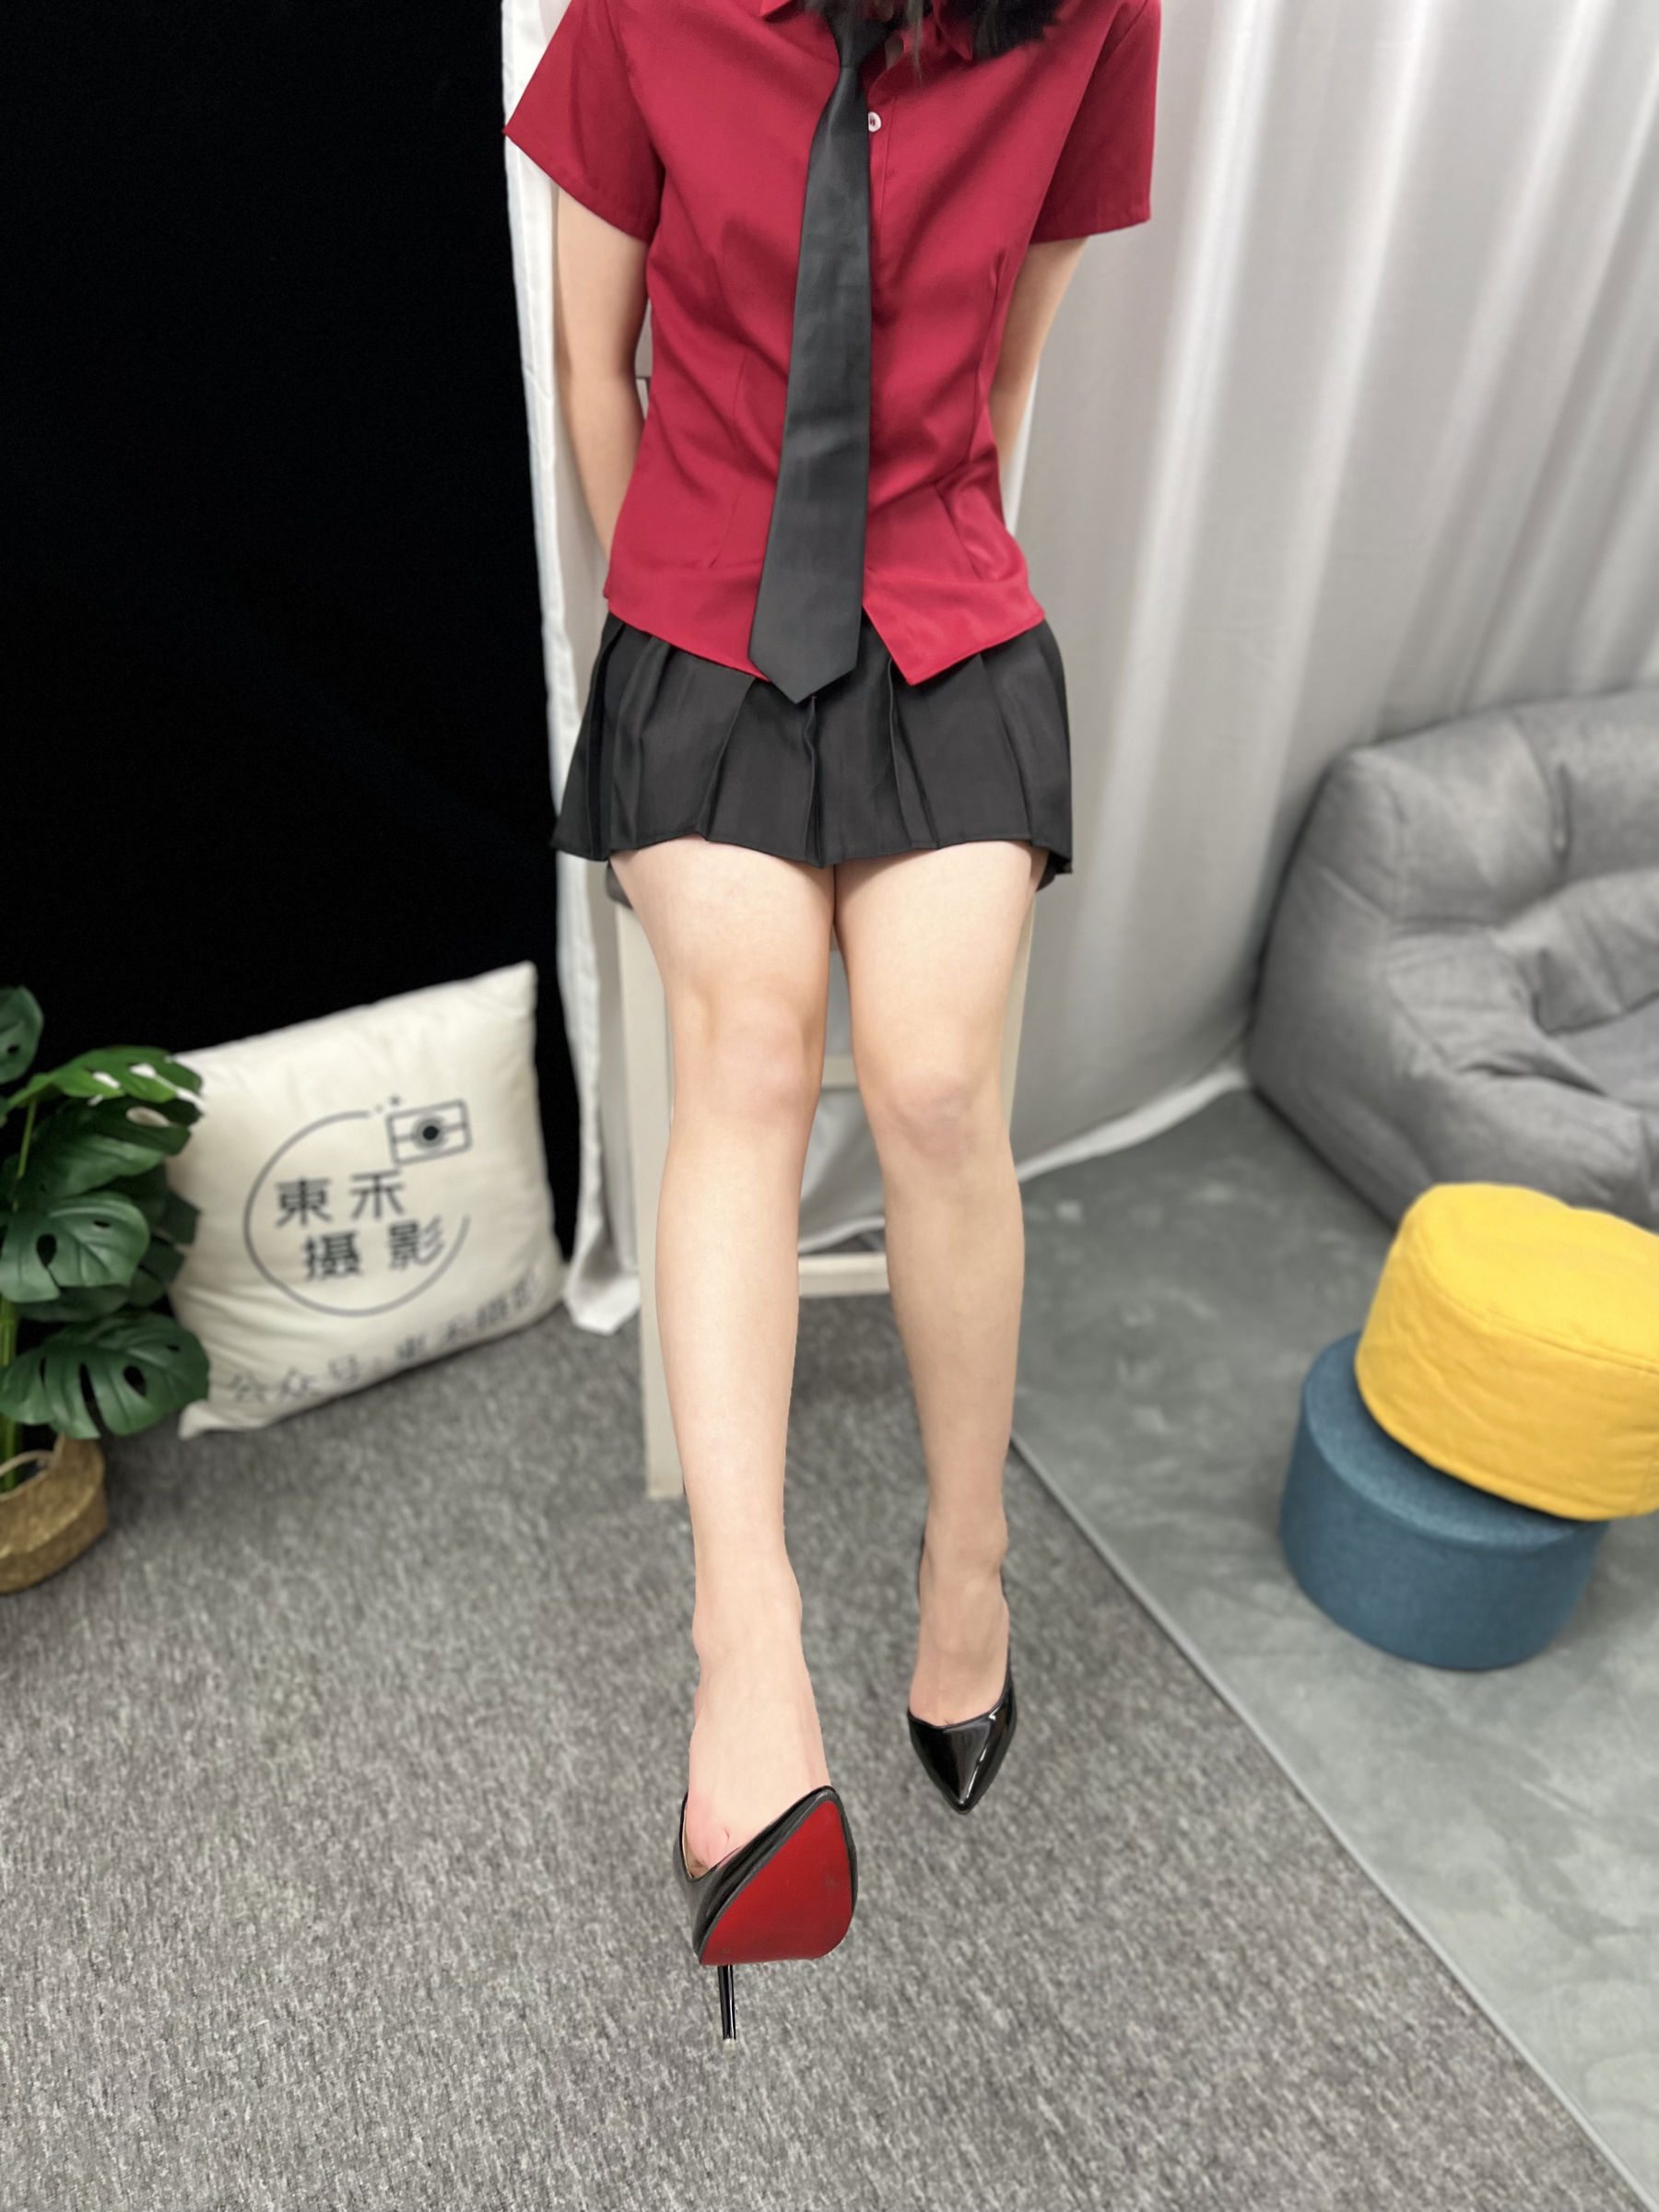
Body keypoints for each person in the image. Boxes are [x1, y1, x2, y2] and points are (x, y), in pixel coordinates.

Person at [504, 0, 1160, 2040]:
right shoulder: (647, 9)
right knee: (755, 1049)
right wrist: (670, 615)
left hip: (942, 602)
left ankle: (968, 1561)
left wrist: (935, 553)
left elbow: (1011, 357)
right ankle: (748, 1638)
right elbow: (590, 359)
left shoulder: (1095, 15)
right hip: (697, 614)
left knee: (942, 1081)